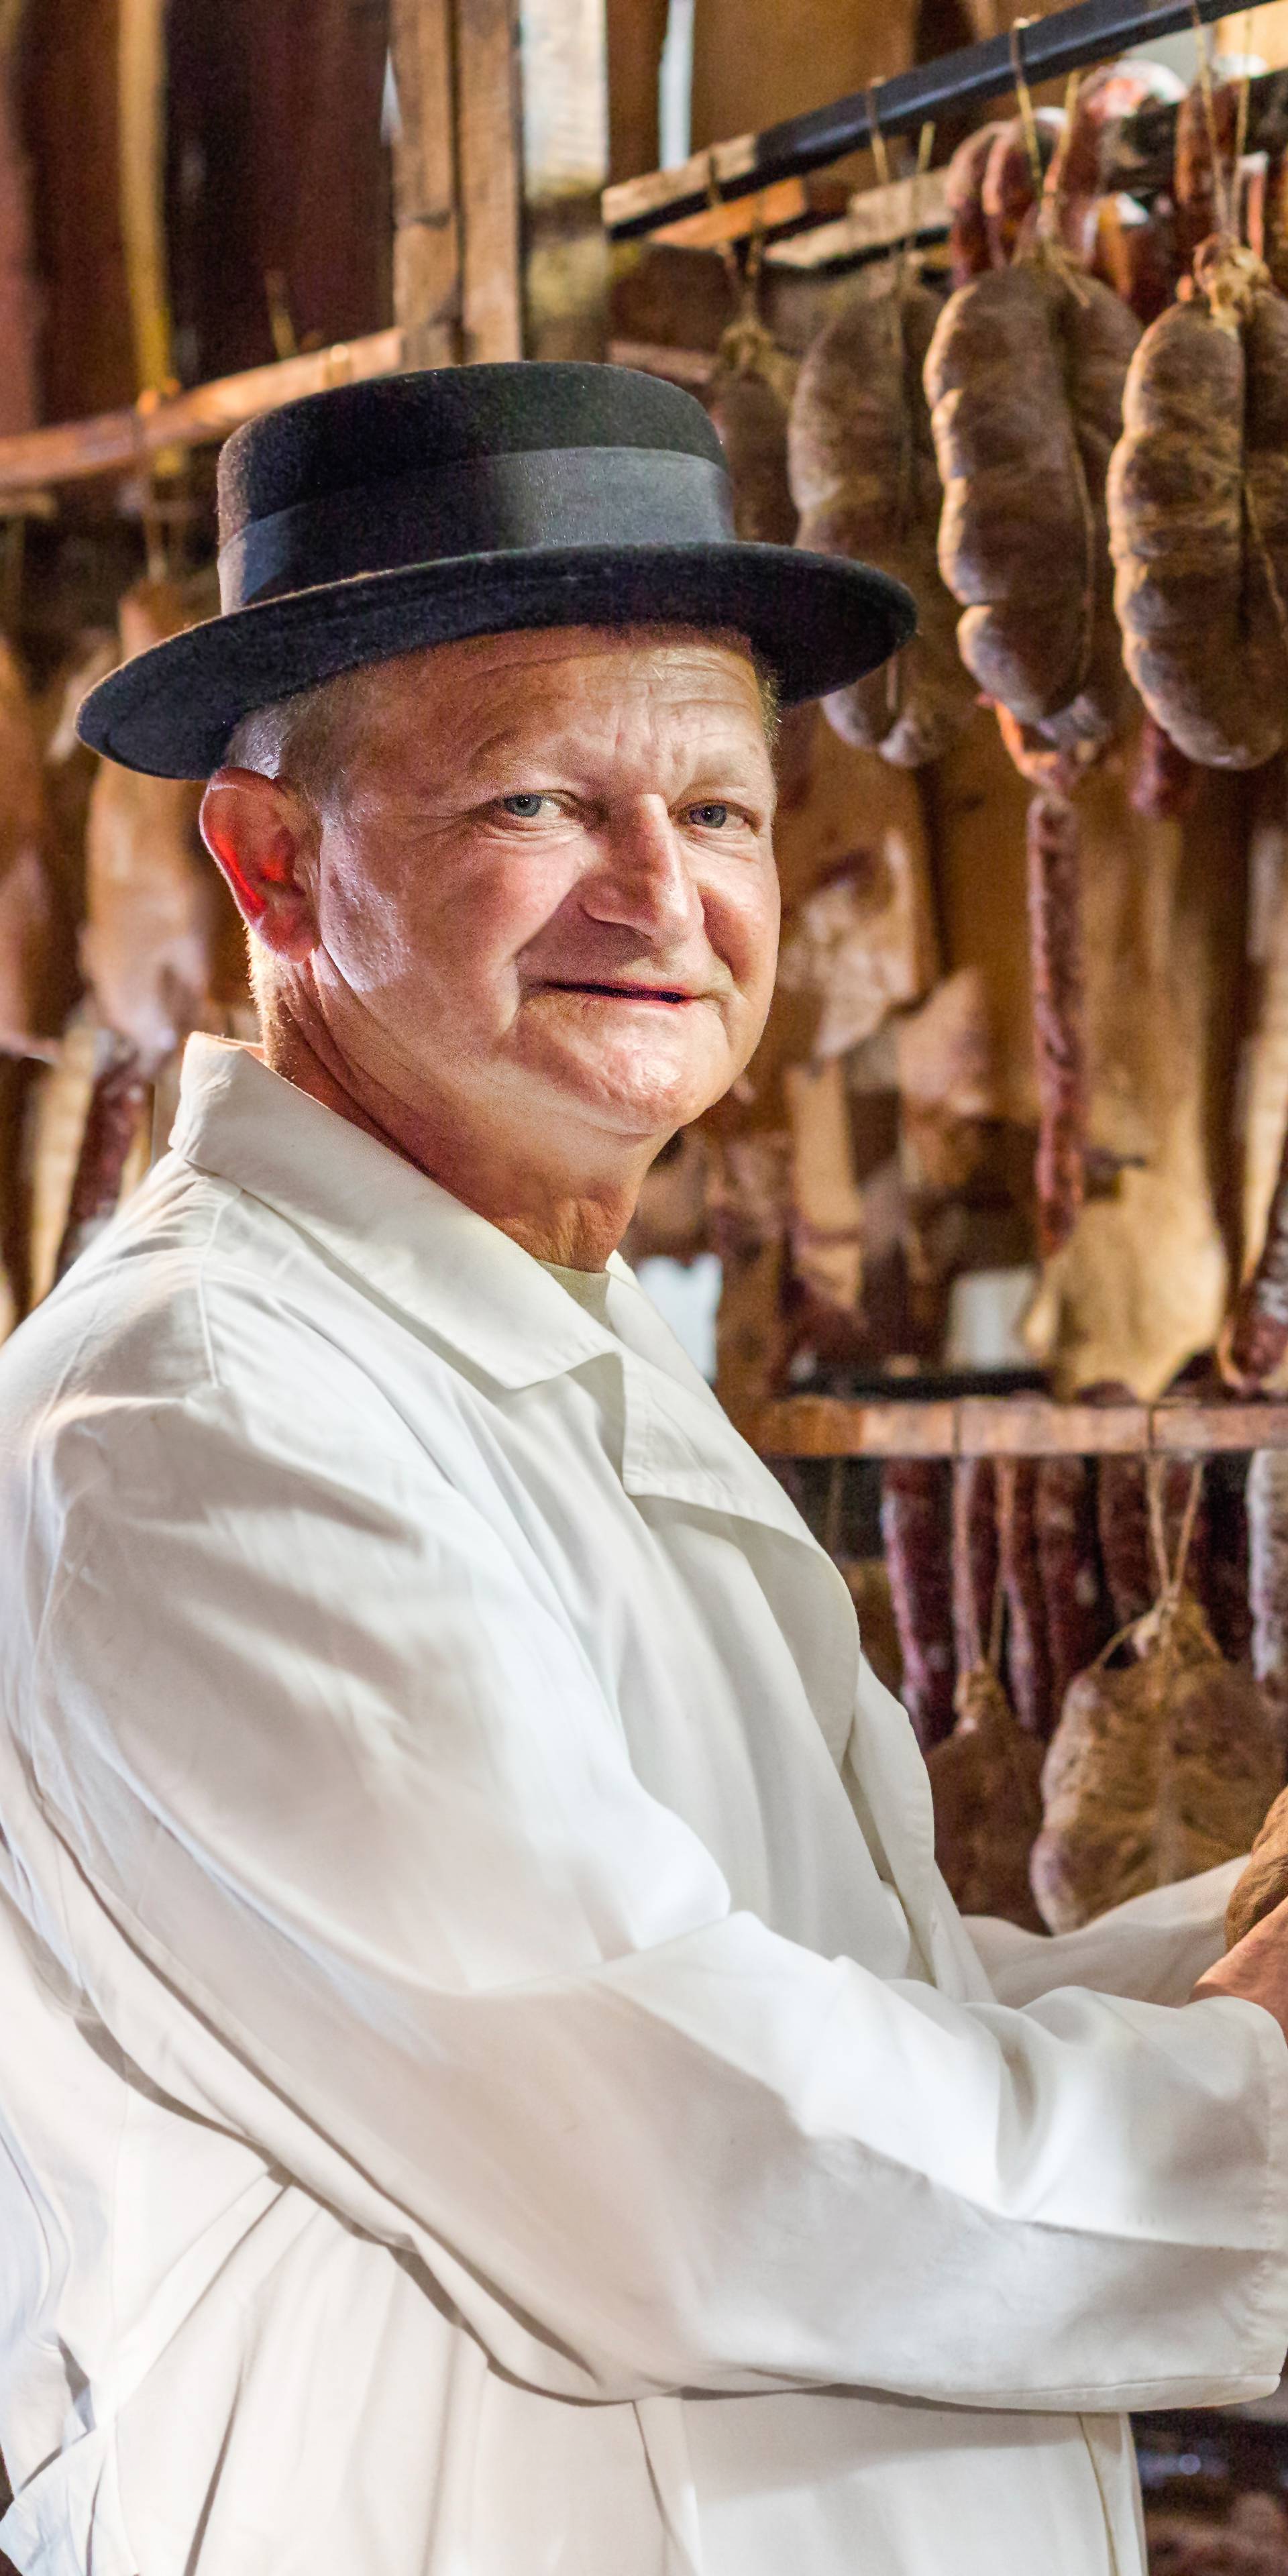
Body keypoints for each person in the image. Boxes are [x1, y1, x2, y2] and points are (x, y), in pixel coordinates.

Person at [0, 362, 1285, 2576]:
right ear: (273, 861)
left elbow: (817, 1997)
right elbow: (704, 2162)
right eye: (535, 806)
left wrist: (1214, 1953)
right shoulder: (199, 1418)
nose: (663, 897)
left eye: (720, 814)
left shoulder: (523, 1334)